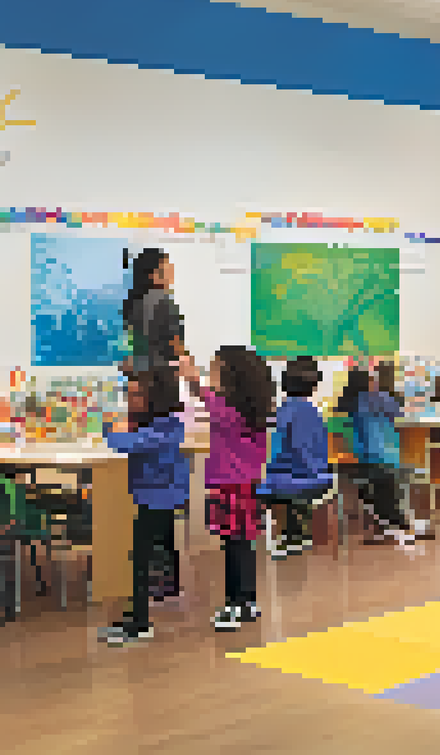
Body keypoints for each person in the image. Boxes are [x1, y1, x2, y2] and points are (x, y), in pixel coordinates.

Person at [181, 346, 274, 631]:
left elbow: (203, 394)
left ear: (231, 376)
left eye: (216, 370)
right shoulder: (253, 410)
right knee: (244, 544)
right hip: (250, 484)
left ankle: (235, 605)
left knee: (233, 545)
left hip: (229, 486)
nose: (211, 376)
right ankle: (248, 601)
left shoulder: (225, 411)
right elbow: (207, 395)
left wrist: (191, 376)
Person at [100, 367, 189, 646]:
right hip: (153, 496)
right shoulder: (159, 425)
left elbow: (125, 443)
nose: (130, 398)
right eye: (129, 392)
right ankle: (137, 615)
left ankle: (140, 623)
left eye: (137, 394)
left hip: (159, 498)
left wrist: (104, 428)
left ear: (155, 398)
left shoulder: (165, 429)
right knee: (141, 556)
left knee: (141, 558)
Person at [337, 365, 416, 549]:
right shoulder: (381, 398)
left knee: (372, 482)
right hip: (389, 457)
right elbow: (400, 413)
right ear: (370, 381)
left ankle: (384, 519)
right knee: (385, 480)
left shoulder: (346, 404)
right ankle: (394, 522)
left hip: (360, 460)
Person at [260, 356, 331, 557]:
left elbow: (277, 453)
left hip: (294, 478)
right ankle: (294, 531)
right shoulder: (314, 412)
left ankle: (291, 533)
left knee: (265, 483)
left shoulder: (283, 412)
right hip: (319, 477)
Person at [122, 248, 187, 375]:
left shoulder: (132, 304)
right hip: (161, 377)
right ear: (154, 275)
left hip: (135, 374)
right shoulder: (164, 303)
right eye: (168, 268)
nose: (172, 272)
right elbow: (176, 345)